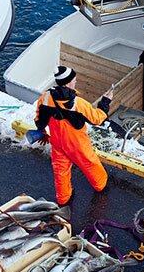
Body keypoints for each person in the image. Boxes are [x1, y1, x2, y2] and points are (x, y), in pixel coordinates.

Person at [33, 65, 113, 208]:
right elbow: (97, 118)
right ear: (68, 83)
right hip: (77, 144)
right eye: (74, 80)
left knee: (60, 170)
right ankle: (101, 186)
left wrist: (42, 131)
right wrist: (105, 102)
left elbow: (39, 119)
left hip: (58, 142)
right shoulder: (78, 103)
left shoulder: (45, 98)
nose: (75, 82)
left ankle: (63, 198)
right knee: (90, 164)